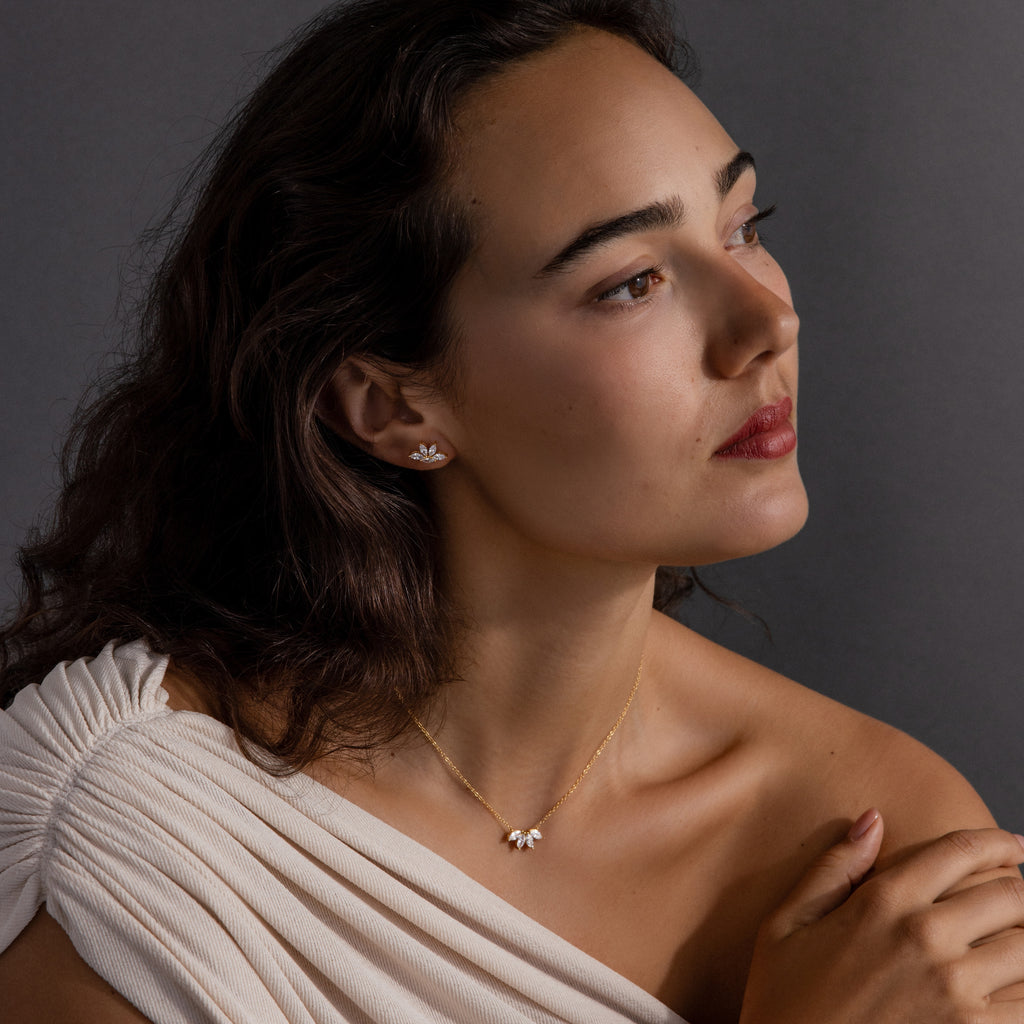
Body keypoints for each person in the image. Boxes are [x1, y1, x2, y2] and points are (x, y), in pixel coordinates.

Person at [2, 1, 1024, 1021]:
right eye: (632, 283)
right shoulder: (143, 848)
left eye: (742, 226)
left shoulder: (880, 835)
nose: (768, 319)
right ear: (394, 405)